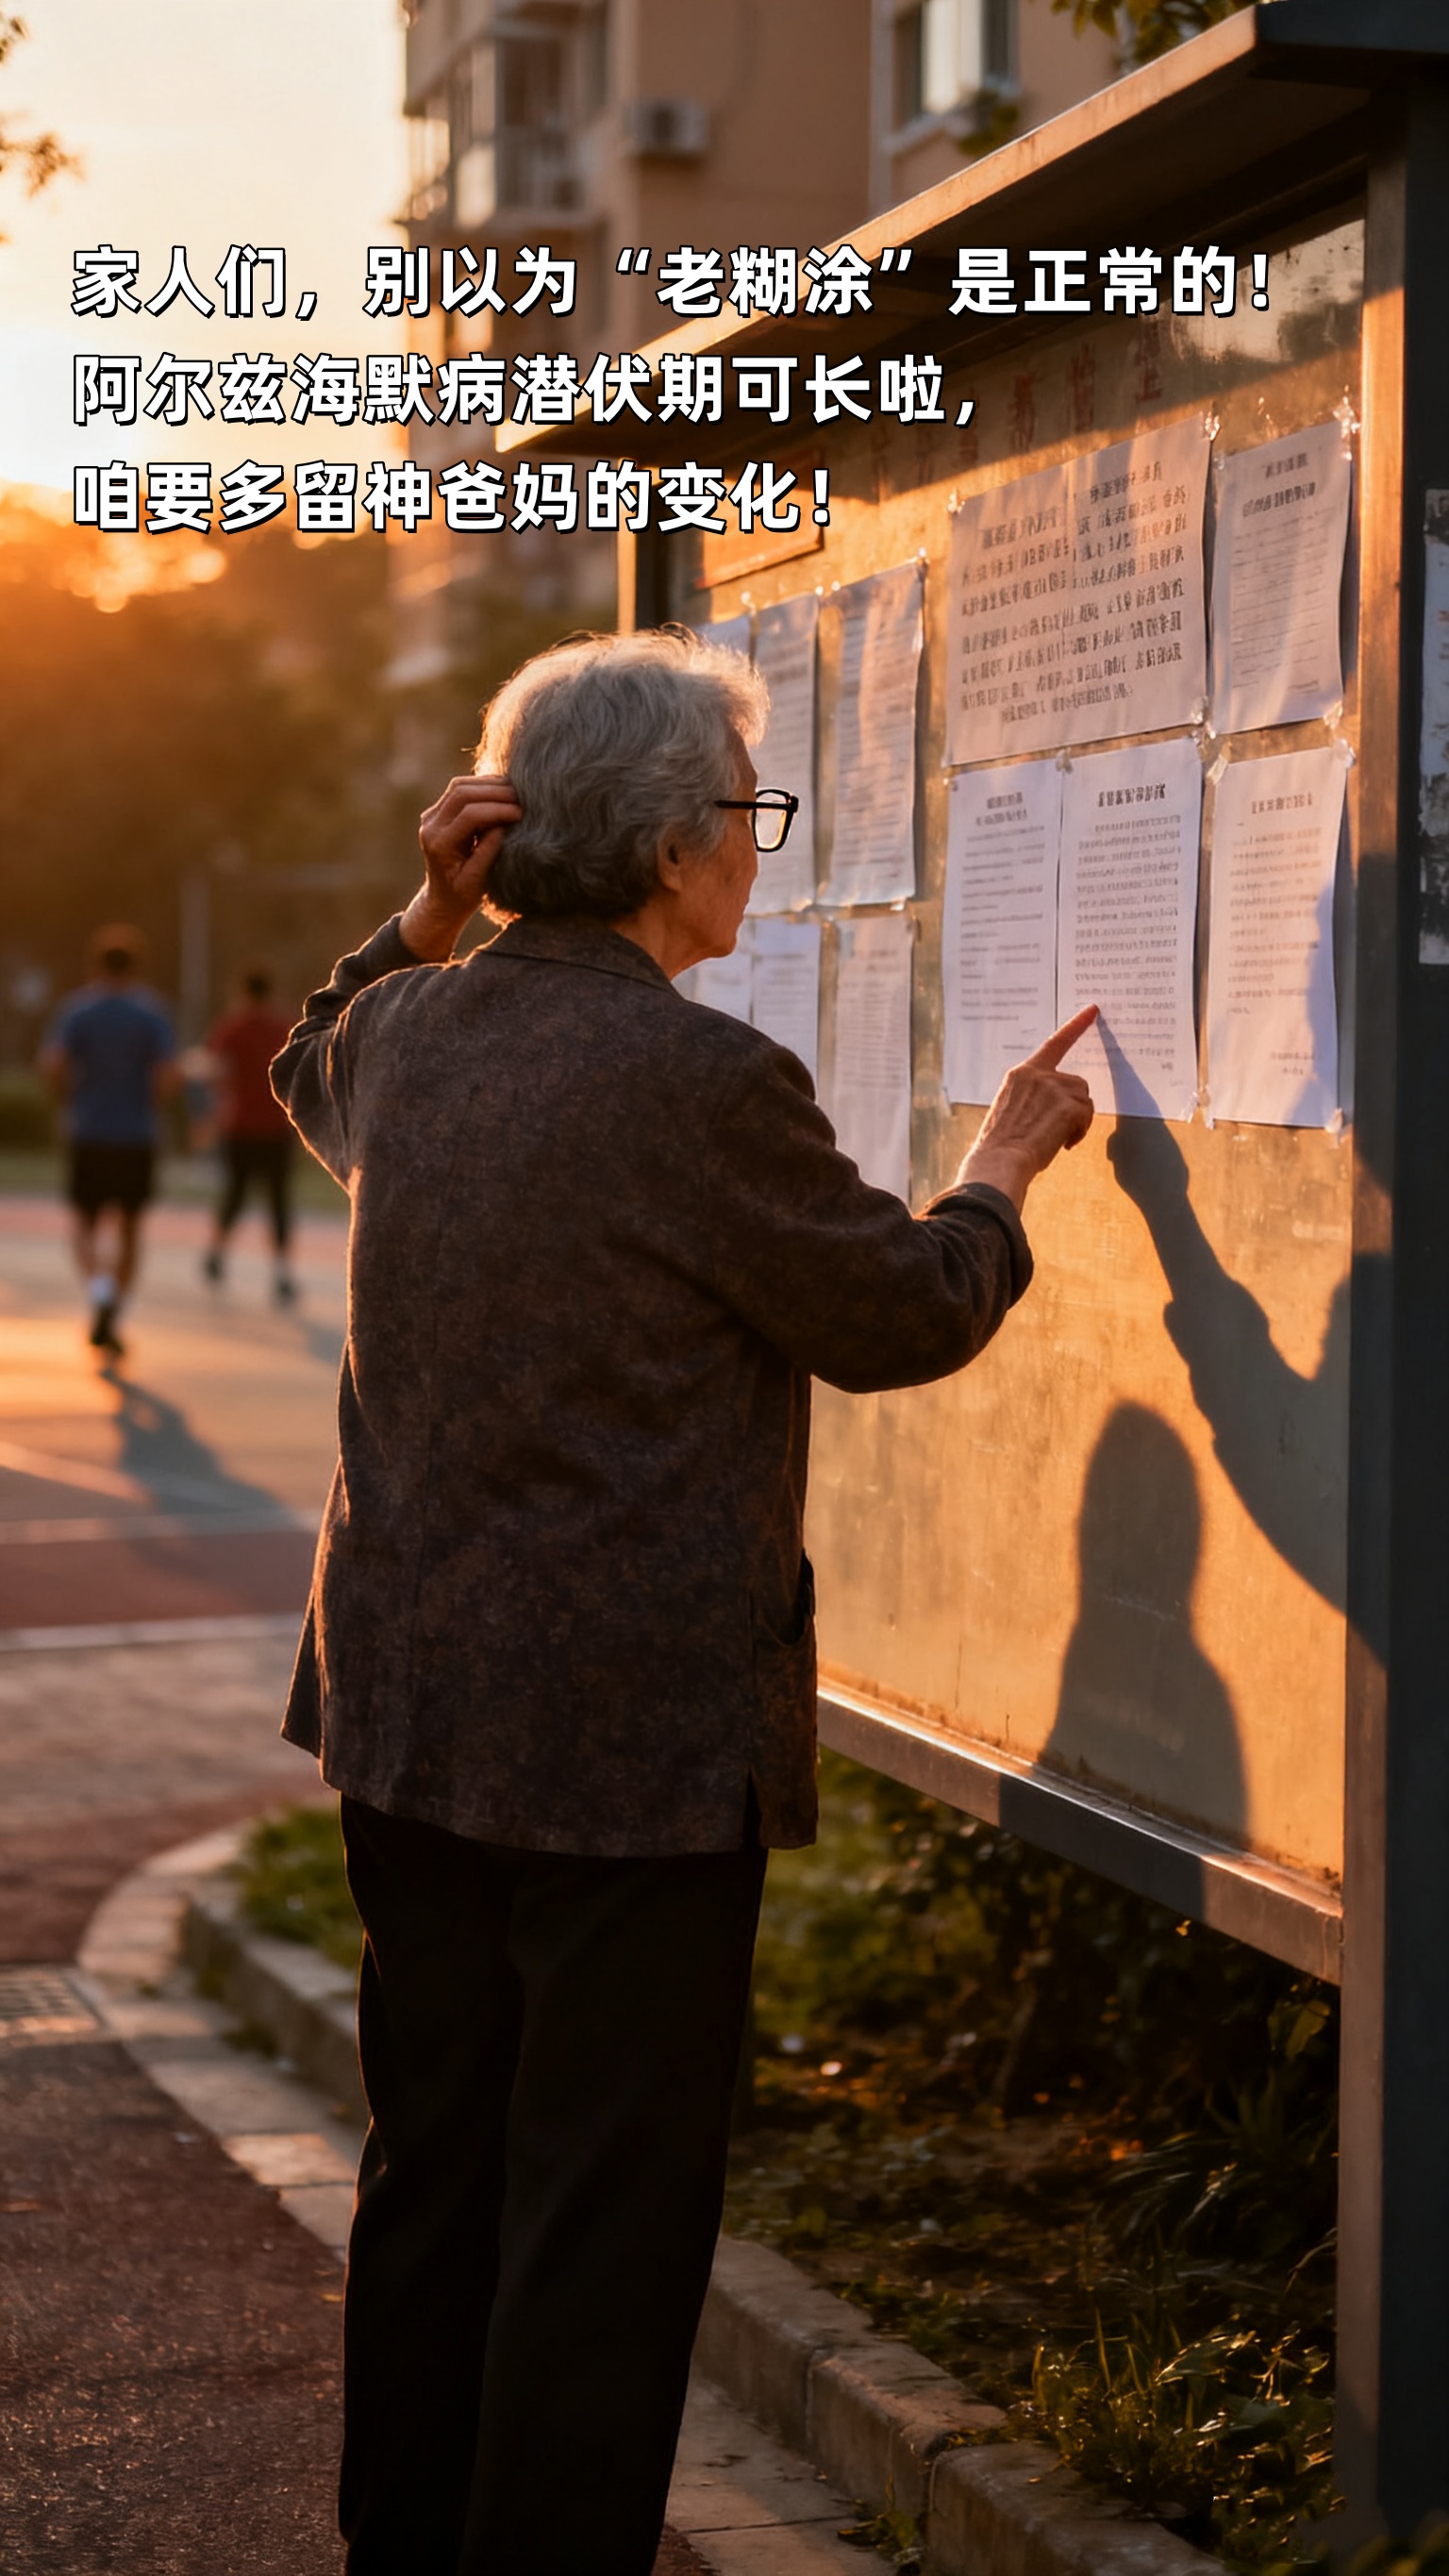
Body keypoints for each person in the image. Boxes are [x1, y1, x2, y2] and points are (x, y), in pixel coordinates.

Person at [271, 629, 1095, 2576]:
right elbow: (899, 1314)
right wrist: (998, 1173)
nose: (757, 852)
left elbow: (315, 1058)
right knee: (601, 2220)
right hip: (629, 1759)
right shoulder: (706, 1081)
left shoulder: (410, 1035)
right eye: (745, 816)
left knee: (440, 2174)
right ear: (663, 849)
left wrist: (417, 912)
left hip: (406, 1720)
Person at [40, 923, 177, 1359]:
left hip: (90, 1130)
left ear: (94, 965)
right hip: (136, 1134)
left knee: (84, 1221)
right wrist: (150, 1102)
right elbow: (168, 1074)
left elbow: (52, 1062)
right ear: (136, 966)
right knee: (132, 1228)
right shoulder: (151, 1013)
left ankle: (98, 1291)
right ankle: (113, 1311)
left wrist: (68, 1098)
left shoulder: (78, 1012)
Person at [202, 966, 298, 1302]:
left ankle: (217, 1252)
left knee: (235, 1194)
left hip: (241, 1125)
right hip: (276, 1125)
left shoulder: (233, 1029)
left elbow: (218, 1074)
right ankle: (282, 1271)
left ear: (243, 991)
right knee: (278, 1201)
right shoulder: (283, 1027)